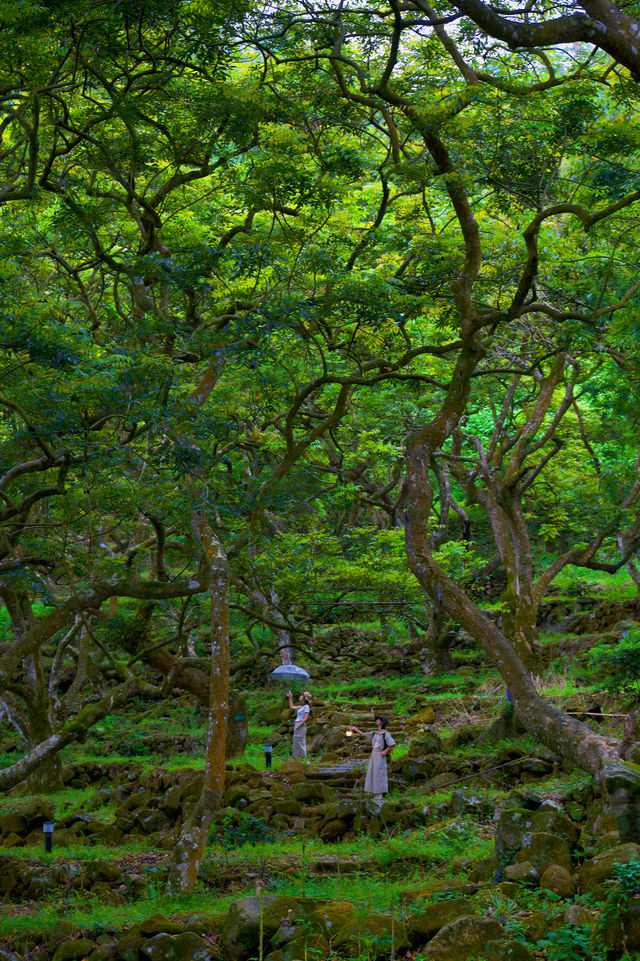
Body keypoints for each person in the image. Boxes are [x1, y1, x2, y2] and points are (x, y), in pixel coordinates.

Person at [347, 715, 395, 797]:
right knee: (372, 771)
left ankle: (380, 792)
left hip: (380, 754)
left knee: (380, 772)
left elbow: (392, 744)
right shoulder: (374, 733)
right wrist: (355, 729)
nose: (376, 721)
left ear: (382, 722)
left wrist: (385, 751)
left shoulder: (385, 734)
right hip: (374, 753)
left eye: (378, 720)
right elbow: (363, 735)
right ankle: (373, 791)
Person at [287, 690, 311, 759]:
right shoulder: (301, 707)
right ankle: (297, 757)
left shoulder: (306, 706)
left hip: (300, 724)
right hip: (297, 724)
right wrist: (290, 697)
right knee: (296, 741)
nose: (300, 696)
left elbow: (306, 717)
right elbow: (292, 707)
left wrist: (300, 724)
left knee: (301, 741)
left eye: (301, 695)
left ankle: (304, 758)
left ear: (304, 698)